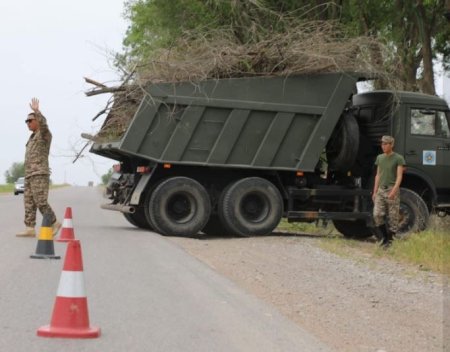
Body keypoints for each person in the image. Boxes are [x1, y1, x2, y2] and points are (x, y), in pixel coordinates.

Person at [16, 98, 61, 237]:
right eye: (26, 121)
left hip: (40, 173)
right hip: (30, 174)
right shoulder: (31, 138)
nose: (28, 123)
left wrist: (37, 111)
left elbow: (44, 124)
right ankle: (30, 228)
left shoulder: (44, 134)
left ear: (37, 121)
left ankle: (54, 222)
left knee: (40, 201)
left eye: (30, 120)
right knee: (29, 202)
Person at [372, 135, 405, 248]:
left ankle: (389, 242)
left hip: (392, 189)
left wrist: (394, 191)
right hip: (381, 190)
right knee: (377, 214)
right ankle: (385, 237)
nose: (383, 146)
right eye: (382, 144)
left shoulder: (398, 158)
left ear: (392, 145)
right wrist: (375, 191)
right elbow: (378, 175)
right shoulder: (380, 158)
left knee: (393, 217)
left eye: (386, 144)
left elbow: (399, 177)